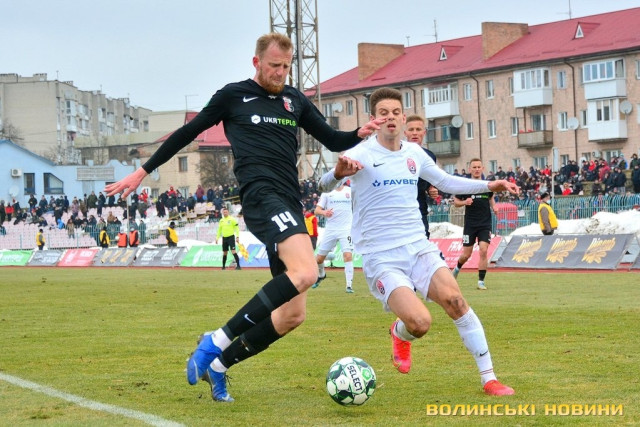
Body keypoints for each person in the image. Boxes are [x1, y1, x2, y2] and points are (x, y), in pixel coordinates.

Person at [104, 32, 383, 403]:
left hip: (290, 202)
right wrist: (143, 171)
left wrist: (357, 133)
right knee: (307, 272)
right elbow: (187, 133)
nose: (280, 72)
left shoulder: (294, 100)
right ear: (257, 62)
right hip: (261, 197)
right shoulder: (233, 96)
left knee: (292, 315)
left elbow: (332, 140)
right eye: (274, 65)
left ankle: (219, 366)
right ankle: (214, 341)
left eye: (286, 66)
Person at [318, 87, 518, 396]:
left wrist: (489, 185)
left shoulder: (414, 153)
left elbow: (446, 181)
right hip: (381, 255)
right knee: (420, 323)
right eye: (383, 113)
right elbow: (323, 184)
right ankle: (400, 333)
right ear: (373, 119)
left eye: (396, 113)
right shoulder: (360, 153)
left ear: (402, 117)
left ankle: (489, 378)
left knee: (456, 301)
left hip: (418, 246)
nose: (390, 118)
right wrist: (336, 173)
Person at [451, 158, 498, 291]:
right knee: (466, 255)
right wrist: (464, 202)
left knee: (483, 250)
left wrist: (494, 207)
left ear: (482, 169)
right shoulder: (465, 185)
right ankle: (456, 269)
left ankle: (481, 281)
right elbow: (456, 202)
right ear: (470, 169)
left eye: (479, 167)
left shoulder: (487, 185)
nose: (477, 169)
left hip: (485, 224)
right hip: (470, 225)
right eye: (474, 167)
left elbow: (490, 197)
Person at [312, 179, 355, 293]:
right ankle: (322, 275)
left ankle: (349, 286)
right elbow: (316, 210)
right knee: (319, 259)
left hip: (346, 229)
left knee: (347, 256)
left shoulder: (350, 191)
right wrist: (324, 212)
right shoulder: (327, 193)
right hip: (331, 229)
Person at [404, 115, 439, 237]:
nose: (414, 133)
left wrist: (431, 189)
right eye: (411, 129)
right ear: (405, 133)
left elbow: (430, 182)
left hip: (420, 210)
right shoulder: (397, 153)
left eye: (418, 129)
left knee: (423, 242)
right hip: (401, 211)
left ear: (424, 132)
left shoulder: (430, 156)